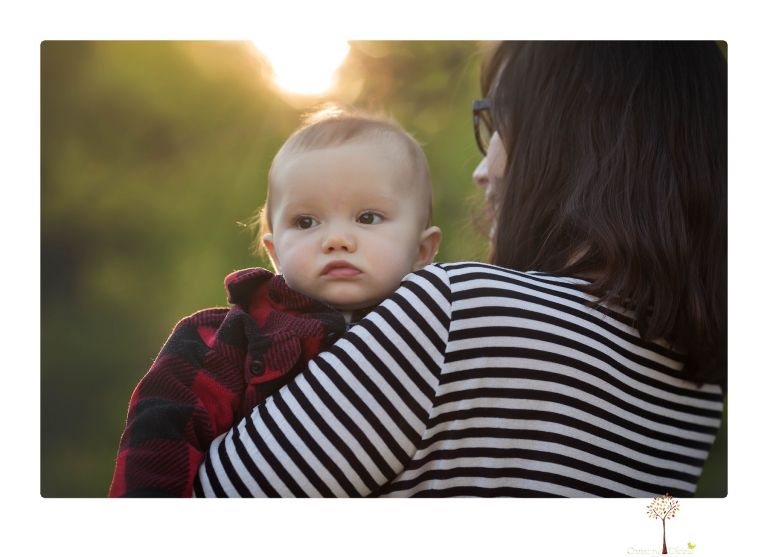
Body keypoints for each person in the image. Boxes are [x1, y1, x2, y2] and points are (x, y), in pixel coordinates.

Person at [194, 41, 727, 498]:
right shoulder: (702, 387)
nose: (480, 170)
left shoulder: (460, 312)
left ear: (570, 140)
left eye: (495, 124)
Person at [108, 108, 442, 497]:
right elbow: (159, 437)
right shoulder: (227, 337)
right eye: (305, 222)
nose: (336, 239)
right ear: (275, 252)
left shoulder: (441, 333)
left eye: (368, 217)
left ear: (422, 250)